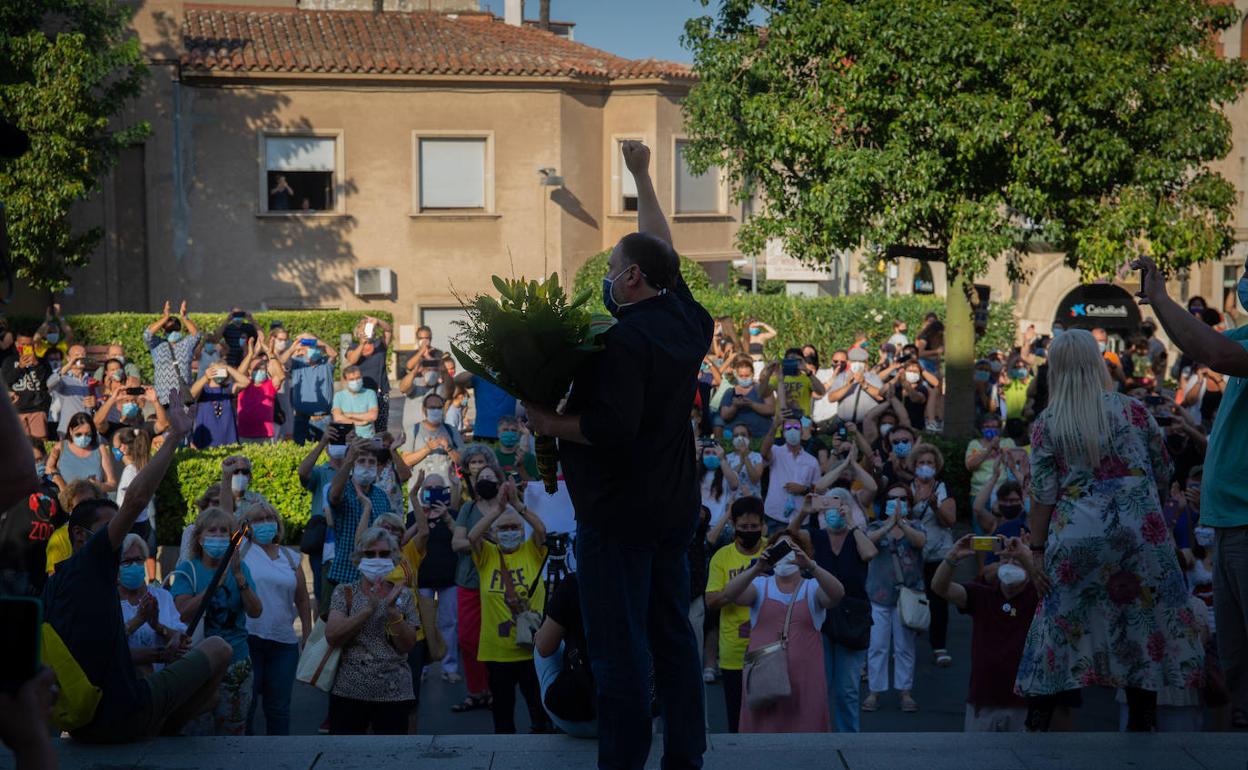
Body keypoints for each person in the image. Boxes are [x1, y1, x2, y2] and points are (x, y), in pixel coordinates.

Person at [521, 141, 709, 768]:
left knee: (619, 649)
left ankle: (623, 761)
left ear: (629, 279)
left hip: (620, 515)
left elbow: (610, 428)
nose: (606, 277)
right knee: (674, 638)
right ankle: (686, 756)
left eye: (612, 267)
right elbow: (663, 252)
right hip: (673, 508)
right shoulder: (688, 320)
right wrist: (642, 175)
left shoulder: (623, 342)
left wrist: (548, 419)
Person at [1015, 327, 1204, 732]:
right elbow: (1163, 469)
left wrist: (1035, 550)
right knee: (1141, 624)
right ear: (1097, 363)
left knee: (1057, 626)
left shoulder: (1049, 422)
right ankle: (1142, 722)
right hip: (1140, 534)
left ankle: (1037, 722)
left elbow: (1043, 495)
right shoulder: (1134, 410)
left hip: (1075, 535)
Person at [41, 393, 234, 743]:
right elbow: (136, 500)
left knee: (209, 693)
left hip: (87, 721)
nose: (120, 540)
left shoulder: (60, 581)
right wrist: (175, 434)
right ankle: (163, 731)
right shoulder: (89, 564)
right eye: (110, 532)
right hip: (125, 711)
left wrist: (158, 640)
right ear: (82, 538)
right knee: (219, 648)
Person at [717, 534, 845, 732]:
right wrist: (757, 569)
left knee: (806, 734)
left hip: (805, 684)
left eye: (791, 549)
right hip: (765, 681)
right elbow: (730, 593)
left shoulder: (812, 588)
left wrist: (811, 566)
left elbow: (837, 594)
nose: (786, 555)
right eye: (780, 549)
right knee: (763, 734)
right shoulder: (760, 586)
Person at [466, 479, 553, 734]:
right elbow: (472, 536)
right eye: (503, 528)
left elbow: (541, 530)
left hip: (531, 649)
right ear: (494, 533)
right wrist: (497, 511)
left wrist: (517, 505)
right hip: (498, 652)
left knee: (539, 711)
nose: (509, 531)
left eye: (514, 527)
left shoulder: (530, 551)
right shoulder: (488, 555)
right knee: (503, 714)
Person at [787, 488, 876, 732]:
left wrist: (852, 524)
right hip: (820, 615)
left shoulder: (858, 537)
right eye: (829, 507)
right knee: (819, 685)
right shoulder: (815, 536)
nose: (833, 513)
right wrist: (803, 512)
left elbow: (870, 553)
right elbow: (788, 538)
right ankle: (821, 735)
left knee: (847, 689)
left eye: (839, 506)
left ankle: (849, 739)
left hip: (853, 618)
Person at [930, 535, 1040, 732]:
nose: (1011, 563)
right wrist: (952, 557)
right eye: (1005, 558)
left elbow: (1054, 592)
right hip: (983, 701)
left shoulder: (1037, 598)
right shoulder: (982, 594)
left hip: (1025, 704)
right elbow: (940, 588)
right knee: (978, 762)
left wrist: (1026, 558)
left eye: (1017, 560)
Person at [170, 506, 263, 735]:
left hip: (236, 663)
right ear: (200, 538)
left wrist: (239, 578)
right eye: (212, 531)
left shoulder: (241, 569)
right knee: (195, 731)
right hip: (197, 663)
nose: (219, 536)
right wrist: (214, 586)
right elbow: (181, 613)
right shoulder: (187, 569)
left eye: (224, 531)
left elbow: (255, 611)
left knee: (232, 731)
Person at [323, 526, 420, 734]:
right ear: (359, 558)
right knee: (344, 756)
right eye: (370, 554)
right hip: (349, 690)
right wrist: (368, 610)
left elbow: (407, 645)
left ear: (393, 558)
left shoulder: (405, 596)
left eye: (384, 554)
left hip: (394, 693)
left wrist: (393, 612)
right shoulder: (345, 592)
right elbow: (332, 635)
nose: (377, 559)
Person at [239, 504, 311, 736]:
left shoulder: (291, 557)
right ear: (247, 527)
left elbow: (302, 600)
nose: (266, 522)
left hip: (284, 642)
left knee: (279, 709)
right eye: (258, 519)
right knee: (247, 706)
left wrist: (307, 635)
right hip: (250, 638)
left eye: (270, 517)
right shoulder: (242, 552)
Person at [705, 496, 768, 733]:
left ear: (763, 525)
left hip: (769, 650)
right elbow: (712, 601)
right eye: (744, 527)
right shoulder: (722, 557)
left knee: (768, 717)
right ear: (733, 524)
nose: (749, 531)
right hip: (733, 651)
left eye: (754, 527)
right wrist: (741, 587)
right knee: (736, 716)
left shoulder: (773, 551)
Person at [863, 483, 927, 713]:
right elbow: (867, 542)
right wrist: (890, 524)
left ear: (909, 504)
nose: (897, 503)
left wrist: (902, 523)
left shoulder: (917, 526)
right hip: (879, 596)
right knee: (878, 646)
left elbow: (920, 542)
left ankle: (905, 692)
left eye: (902, 499)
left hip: (907, 598)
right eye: (892, 498)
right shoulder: (876, 526)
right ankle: (874, 691)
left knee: (904, 647)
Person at [449, 444, 503, 713]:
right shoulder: (469, 510)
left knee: (499, 638)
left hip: (500, 582)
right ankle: (476, 690)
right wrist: (482, 540)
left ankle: (496, 691)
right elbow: (457, 543)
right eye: (480, 476)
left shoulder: (508, 508)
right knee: (468, 639)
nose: (484, 479)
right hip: (470, 580)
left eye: (489, 477)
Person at [324, 440, 395, 611]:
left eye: (371, 462)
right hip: (345, 574)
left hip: (377, 577)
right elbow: (334, 496)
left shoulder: (381, 496)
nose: (367, 465)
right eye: (361, 460)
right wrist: (348, 461)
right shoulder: (345, 489)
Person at [909, 443, 956, 668]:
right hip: (913, 554)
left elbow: (951, 520)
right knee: (910, 599)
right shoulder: (907, 488)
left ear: (936, 467)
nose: (925, 467)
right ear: (914, 466)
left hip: (939, 553)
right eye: (921, 463)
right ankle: (905, 646)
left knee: (938, 600)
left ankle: (939, 646)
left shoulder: (943, 488)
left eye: (930, 463)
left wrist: (936, 506)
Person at [534, 573, 597, 737]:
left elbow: (544, 648)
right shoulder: (646, 577)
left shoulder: (576, 582)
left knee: (542, 640)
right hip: (638, 717)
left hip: (581, 719)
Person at [118, 533, 188, 677]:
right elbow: (106, 646)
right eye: (126, 561)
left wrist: (158, 626)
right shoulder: (109, 602)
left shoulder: (162, 597)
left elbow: (183, 640)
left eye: (138, 560)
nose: (134, 565)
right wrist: (138, 621)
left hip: (164, 679)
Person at [415, 473, 461, 684]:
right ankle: (421, 666)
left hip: (449, 578)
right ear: (423, 491)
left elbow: (461, 538)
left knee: (448, 623)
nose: (432, 491)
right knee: (423, 625)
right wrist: (421, 516)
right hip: (422, 579)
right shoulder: (413, 516)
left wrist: (446, 515)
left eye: (437, 487)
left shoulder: (452, 514)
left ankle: (449, 666)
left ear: (444, 491)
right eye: (428, 487)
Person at [759, 392, 821, 534]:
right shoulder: (776, 452)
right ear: (783, 433)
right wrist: (775, 426)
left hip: (801, 520)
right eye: (788, 428)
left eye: (796, 428)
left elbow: (819, 492)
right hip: (775, 518)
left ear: (801, 431)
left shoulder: (812, 462)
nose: (792, 431)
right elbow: (764, 452)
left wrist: (804, 490)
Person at [299, 428, 347, 610]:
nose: (339, 446)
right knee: (320, 594)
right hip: (323, 539)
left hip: (348, 537)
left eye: (342, 442)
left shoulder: (356, 470)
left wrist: (353, 452)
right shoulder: (321, 472)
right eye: (335, 443)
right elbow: (303, 472)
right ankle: (318, 637)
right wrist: (323, 442)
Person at [115, 428, 158, 581]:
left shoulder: (130, 471)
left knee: (128, 559)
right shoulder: (145, 467)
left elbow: (128, 500)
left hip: (130, 524)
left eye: (118, 445)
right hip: (143, 522)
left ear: (125, 447)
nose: (117, 449)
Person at [46, 412, 119, 495]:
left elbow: (112, 484)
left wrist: (97, 486)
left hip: (94, 501)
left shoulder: (100, 449)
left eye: (88, 434)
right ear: (70, 431)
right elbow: (48, 469)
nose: (83, 438)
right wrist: (60, 482)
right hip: (66, 501)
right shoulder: (60, 447)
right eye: (78, 434)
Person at [145, 301, 201, 408]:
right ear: (163, 330)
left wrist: (184, 317)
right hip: (163, 399)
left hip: (183, 401)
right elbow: (147, 334)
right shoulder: (157, 344)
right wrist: (165, 318)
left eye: (175, 329)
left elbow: (196, 335)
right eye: (169, 329)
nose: (172, 332)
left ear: (180, 330)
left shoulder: (186, 344)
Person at [284, 333, 337, 444]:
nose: (313, 350)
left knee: (326, 453)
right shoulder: (297, 363)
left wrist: (317, 340)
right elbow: (282, 361)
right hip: (301, 419)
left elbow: (334, 354)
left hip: (324, 419)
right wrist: (293, 348)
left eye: (314, 347)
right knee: (301, 453)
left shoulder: (325, 363)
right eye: (309, 347)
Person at [402, 391, 463, 486]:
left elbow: (462, 461)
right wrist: (427, 449)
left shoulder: (451, 430)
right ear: (424, 409)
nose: (436, 410)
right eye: (432, 407)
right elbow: (406, 461)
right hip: (420, 490)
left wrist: (449, 449)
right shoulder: (413, 430)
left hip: (446, 489)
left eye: (439, 407)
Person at [344, 315, 392, 435]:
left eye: (368, 328)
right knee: (362, 426)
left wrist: (378, 321)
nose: (366, 331)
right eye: (363, 329)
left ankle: (378, 450)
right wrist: (362, 344)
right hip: (361, 393)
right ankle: (362, 449)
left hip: (381, 392)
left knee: (380, 428)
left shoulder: (379, 344)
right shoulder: (353, 347)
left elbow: (389, 330)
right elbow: (352, 360)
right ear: (358, 332)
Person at [190, 359, 249, 449]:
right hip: (205, 443)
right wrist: (206, 377)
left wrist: (228, 368)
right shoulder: (204, 390)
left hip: (229, 442)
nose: (218, 373)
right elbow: (192, 394)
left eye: (221, 371)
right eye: (215, 371)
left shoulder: (228, 389)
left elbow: (246, 382)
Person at [3, 334, 53, 440]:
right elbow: (5, 381)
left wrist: (37, 365)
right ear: (17, 345)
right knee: (18, 443)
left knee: (40, 442)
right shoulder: (9, 361)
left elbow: (48, 383)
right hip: (17, 409)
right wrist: (19, 367)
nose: (26, 347)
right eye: (23, 345)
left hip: (37, 408)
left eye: (29, 345)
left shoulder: (42, 362)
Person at [236, 340, 286, 444]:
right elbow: (239, 373)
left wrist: (270, 353)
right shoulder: (244, 384)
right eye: (255, 368)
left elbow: (281, 376)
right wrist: (250, 354)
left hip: (265, 436)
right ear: (249, 371)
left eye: (261, 368)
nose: (259, 371)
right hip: (244, 434)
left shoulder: (269, 385)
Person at [717, 355, 775, 439]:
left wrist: (752, 404)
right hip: (736, 438)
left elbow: (771, 410)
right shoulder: (730, 392)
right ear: (736, 375)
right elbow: (724, 415)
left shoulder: (762, 389)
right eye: (741, 376)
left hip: (760, 436)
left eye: (747, 375)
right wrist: (735, 406)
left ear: (752, 374)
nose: (744, 378)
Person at [46, 344, 94, 438]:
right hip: (67, 430)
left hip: (88, 430)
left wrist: (94, 404)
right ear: (68, 358)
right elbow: (49, 383)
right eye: (77, 355)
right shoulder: (63, 379)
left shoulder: (91, 379)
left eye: (83, 355)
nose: (80, 358)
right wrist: (69, 365)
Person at [827, 346, 885, 424]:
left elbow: (881, 397)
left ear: (865, 363)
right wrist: (848, 385)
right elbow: (831, 398)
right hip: (844, 423)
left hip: (866, 425)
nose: (857, 364)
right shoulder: (842, 377)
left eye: (860, 361)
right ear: (849, 362)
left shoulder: (873, 378)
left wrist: (864, 384)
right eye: (854, 361)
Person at [399, 327, 441, 428]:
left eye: (427, 338)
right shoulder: (412, 353)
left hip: (432, 388)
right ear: (417, 339)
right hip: (415, 388)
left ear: (431, 338)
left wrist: (428, 357)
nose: (424, 340)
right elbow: (409, 366)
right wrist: (421, 351)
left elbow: (439, 368)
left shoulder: (437, 353)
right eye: (421, 338)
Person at [333, 365, 379, 440]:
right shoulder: (338, 396)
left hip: (366, 438)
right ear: (345, 380)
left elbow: (372, 416)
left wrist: (349, 415)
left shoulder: (370, 393)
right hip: (345, 438)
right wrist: (358, 423)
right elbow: (337, 418)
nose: (356, 382)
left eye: (358, 378)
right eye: (352, 379)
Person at [724, 424, 766, 502]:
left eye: (743, 435)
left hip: (753, 501)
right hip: (733, 502)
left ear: (749, 438)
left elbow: (755, 479)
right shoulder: (727, 458)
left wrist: (745, 457)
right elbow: (729, 480)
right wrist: (740, 463)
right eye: (736, 436)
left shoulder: (757, 456)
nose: (740, 438)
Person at [494, 415, 538, 488]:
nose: (509, 433)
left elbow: (535, 485)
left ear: (518, 434)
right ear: (498, 434)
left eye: (513, 430)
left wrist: (521, 468)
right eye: (505, 430)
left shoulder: (529, 458)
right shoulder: (492, 456)